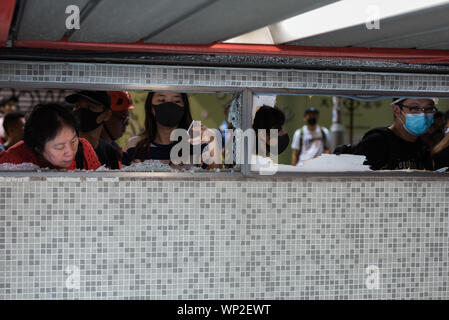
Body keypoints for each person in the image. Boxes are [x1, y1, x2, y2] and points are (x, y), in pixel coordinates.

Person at [123, 91, 220, 167]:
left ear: (184, 108)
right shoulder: (134, 146)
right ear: (151, 108)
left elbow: (217, 181)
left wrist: (212, 141)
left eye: (176, 101)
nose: (169, 106)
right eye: (161, 100)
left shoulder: (199, 146)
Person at [0, 103, 100, 170]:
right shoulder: (10, 162)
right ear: (38, 148)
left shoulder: (84, 149)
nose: (70, 152)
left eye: (73, 141)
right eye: (60, 147)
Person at [349, 98, 436, 170]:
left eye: (428, 109)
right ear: (397, 110)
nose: (423, 115)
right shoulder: (377, 142)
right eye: (414, 108)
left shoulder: (423, 148)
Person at [66, 90, 121, 169]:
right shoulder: (65, 149)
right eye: (77, 106)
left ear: (107, 115)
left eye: (90, 107)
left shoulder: (109, 152)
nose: (82, 112)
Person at [100, 91, 134, 156]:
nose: (127, 123)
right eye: (123, 118)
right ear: (106, 116)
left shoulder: (116, 152)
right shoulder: (92, 151)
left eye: (127, 118)